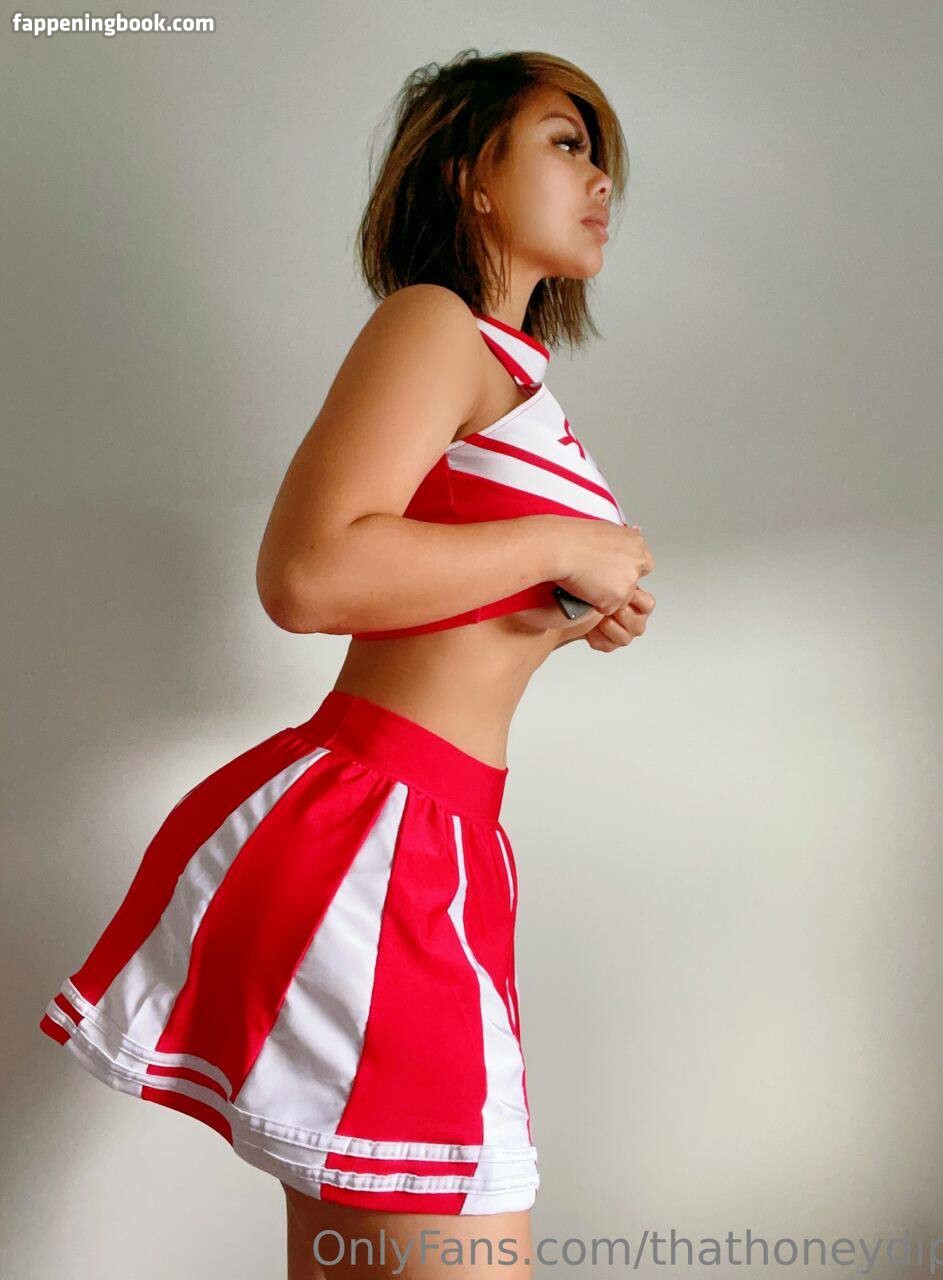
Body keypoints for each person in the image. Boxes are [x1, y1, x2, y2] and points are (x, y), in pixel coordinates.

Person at [39, 48, 656, 1279]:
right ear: (470, 174)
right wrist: (563, 544)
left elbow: (427, 577)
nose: (600, 181)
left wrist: (561, 608)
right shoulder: (434, 321)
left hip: (430, 843)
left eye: (602, 159)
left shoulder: (511, 375)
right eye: (564, 143)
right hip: (379, 839)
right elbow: (309, 572)